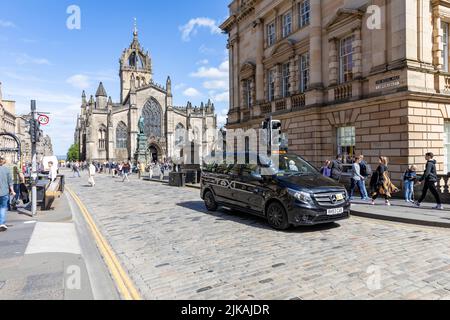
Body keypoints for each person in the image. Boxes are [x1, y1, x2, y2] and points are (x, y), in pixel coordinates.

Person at [0, 156, 16, 232]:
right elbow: (10, 182)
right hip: (4, 192)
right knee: (3, 208)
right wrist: (12, 191)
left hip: (4, 192)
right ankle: (2, 223)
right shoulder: (6, 169)